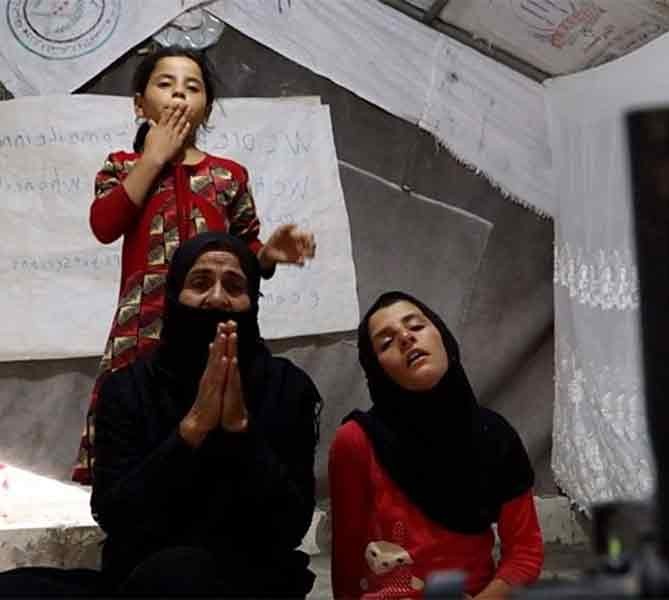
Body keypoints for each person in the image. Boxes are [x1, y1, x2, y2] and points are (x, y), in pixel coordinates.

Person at [72, 45, 316, 484]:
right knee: (135, 435)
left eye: (193, 87)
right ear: (139, 104)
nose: (179, 94)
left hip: (214, 326)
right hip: (141, 326)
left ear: (207, 109)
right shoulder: (122, 166)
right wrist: (153, 157)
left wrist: (267, 255)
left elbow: (245, 251)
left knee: (213, 437)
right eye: (165, 84)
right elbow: (105, 225)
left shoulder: (229, 176)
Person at [89, 232, 322, 596]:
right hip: (146, 577)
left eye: (234, 286)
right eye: (199, 283)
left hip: (256, 580)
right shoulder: (128, 389)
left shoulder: (287, 387)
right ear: (173, 295)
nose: (216, 298)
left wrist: (241, 433)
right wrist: (191, 430)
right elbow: (115, 516)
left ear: (253, 301)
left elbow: (291, 525)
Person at [330, 291, 544, 599]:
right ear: (377, 370)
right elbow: (347, 568)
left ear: (443, 337)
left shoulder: (495, 435)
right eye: (386, 342)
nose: (406, 338)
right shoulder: (356, 442)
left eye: (416, 326)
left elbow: (525, 550)